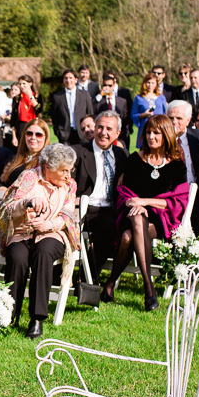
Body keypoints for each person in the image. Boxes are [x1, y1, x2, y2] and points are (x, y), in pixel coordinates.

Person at [101, 115, 188, 312]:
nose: (151, 136)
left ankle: (109, 283)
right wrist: (136, 204)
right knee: (135, 219)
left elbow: (179, 198)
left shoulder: (176, 165)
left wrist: (146, 203)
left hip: (160, 219)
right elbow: (123, 192)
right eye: (148, 132)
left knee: (126, 238)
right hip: (131, 214)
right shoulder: (134, 159)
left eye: (156, 132)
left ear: (166, 134)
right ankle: (149, 289)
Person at [0, 144, 79, 339]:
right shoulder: (28, 177)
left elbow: (67, 215)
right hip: (23, 230)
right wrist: (27, 202)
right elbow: (6, 208)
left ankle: (37, 317)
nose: (68, 175)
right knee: (17, 257)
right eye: (64, 170)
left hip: (53, 232)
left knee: (43, 252)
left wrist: (48, 224)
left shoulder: (70, 184)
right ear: (48, 167)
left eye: (70, 170)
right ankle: (9, 314)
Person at [73, 111, 128, 283]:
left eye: (109, 129)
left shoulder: (122, 155)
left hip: (107, 208)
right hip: (80, 206)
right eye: (100, 127)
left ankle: (84, 280)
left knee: (112, 229)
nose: (103, 132)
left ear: (117, 134)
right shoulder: (78, 151)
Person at [167, 100, 199, 234]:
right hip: (172, 192)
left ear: (188, 120)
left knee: (196, 213)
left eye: (179, 118)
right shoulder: (161, 140)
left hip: (198, 190)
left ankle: (188, 246)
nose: (174, 122)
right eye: (170, 118)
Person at [1, 118, 51, 187]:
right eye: (29, 133)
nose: (33, 137)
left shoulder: (47, 163)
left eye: (38, 135)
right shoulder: (13, 159)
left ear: (46, 138)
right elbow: (1, 183)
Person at [50, 68, 94, 145]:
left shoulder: (84, 95)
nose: (68, 80)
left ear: (76, 80)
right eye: (66, 78)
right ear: (63, 80)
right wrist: (58, 132)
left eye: (71, 78)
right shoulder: (57, 97)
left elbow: (90, 113)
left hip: (82, 133)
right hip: (64, 135)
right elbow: (54, 117)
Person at [131, 71, 168, 142]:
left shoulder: (161, 97)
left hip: (159, 129)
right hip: (144, 130)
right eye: (148, 82)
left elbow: (165, 114)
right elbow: (133, 115)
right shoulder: (139, 98)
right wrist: (143, 115)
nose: (150, 85)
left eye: (153, 83)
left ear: (156, 84)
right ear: (144, 83)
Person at [96, 73, 130, 146]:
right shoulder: (99, 101)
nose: (107, 87)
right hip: (104, 136)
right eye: (105, 85)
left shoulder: (122, 101)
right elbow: (92, 109)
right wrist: (100, 95)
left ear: (114, 85)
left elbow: (125, 118)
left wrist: (126, 133)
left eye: (110, 85)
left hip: (120, 136)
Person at [9, 74, 42, 148]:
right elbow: (13, 119)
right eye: (20, 84)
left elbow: (39, 109)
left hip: (34, 125)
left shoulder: (37, 96)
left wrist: (30, 96)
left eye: (24, 83)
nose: (22, 86)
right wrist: (14, 136)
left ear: (30, 84)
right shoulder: (17, 98)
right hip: (21, 126)